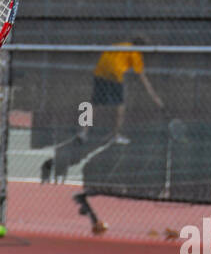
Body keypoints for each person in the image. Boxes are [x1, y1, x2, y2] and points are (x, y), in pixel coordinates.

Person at [40, 36, 165, 186]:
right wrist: (156, 98)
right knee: (121, 105)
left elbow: (107, 57)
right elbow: (143, 78)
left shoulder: (120, 44)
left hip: (100, 72)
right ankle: (116, 134)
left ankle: (83, 131)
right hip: (114, 74)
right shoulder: (135, 53)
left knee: (93, 103)